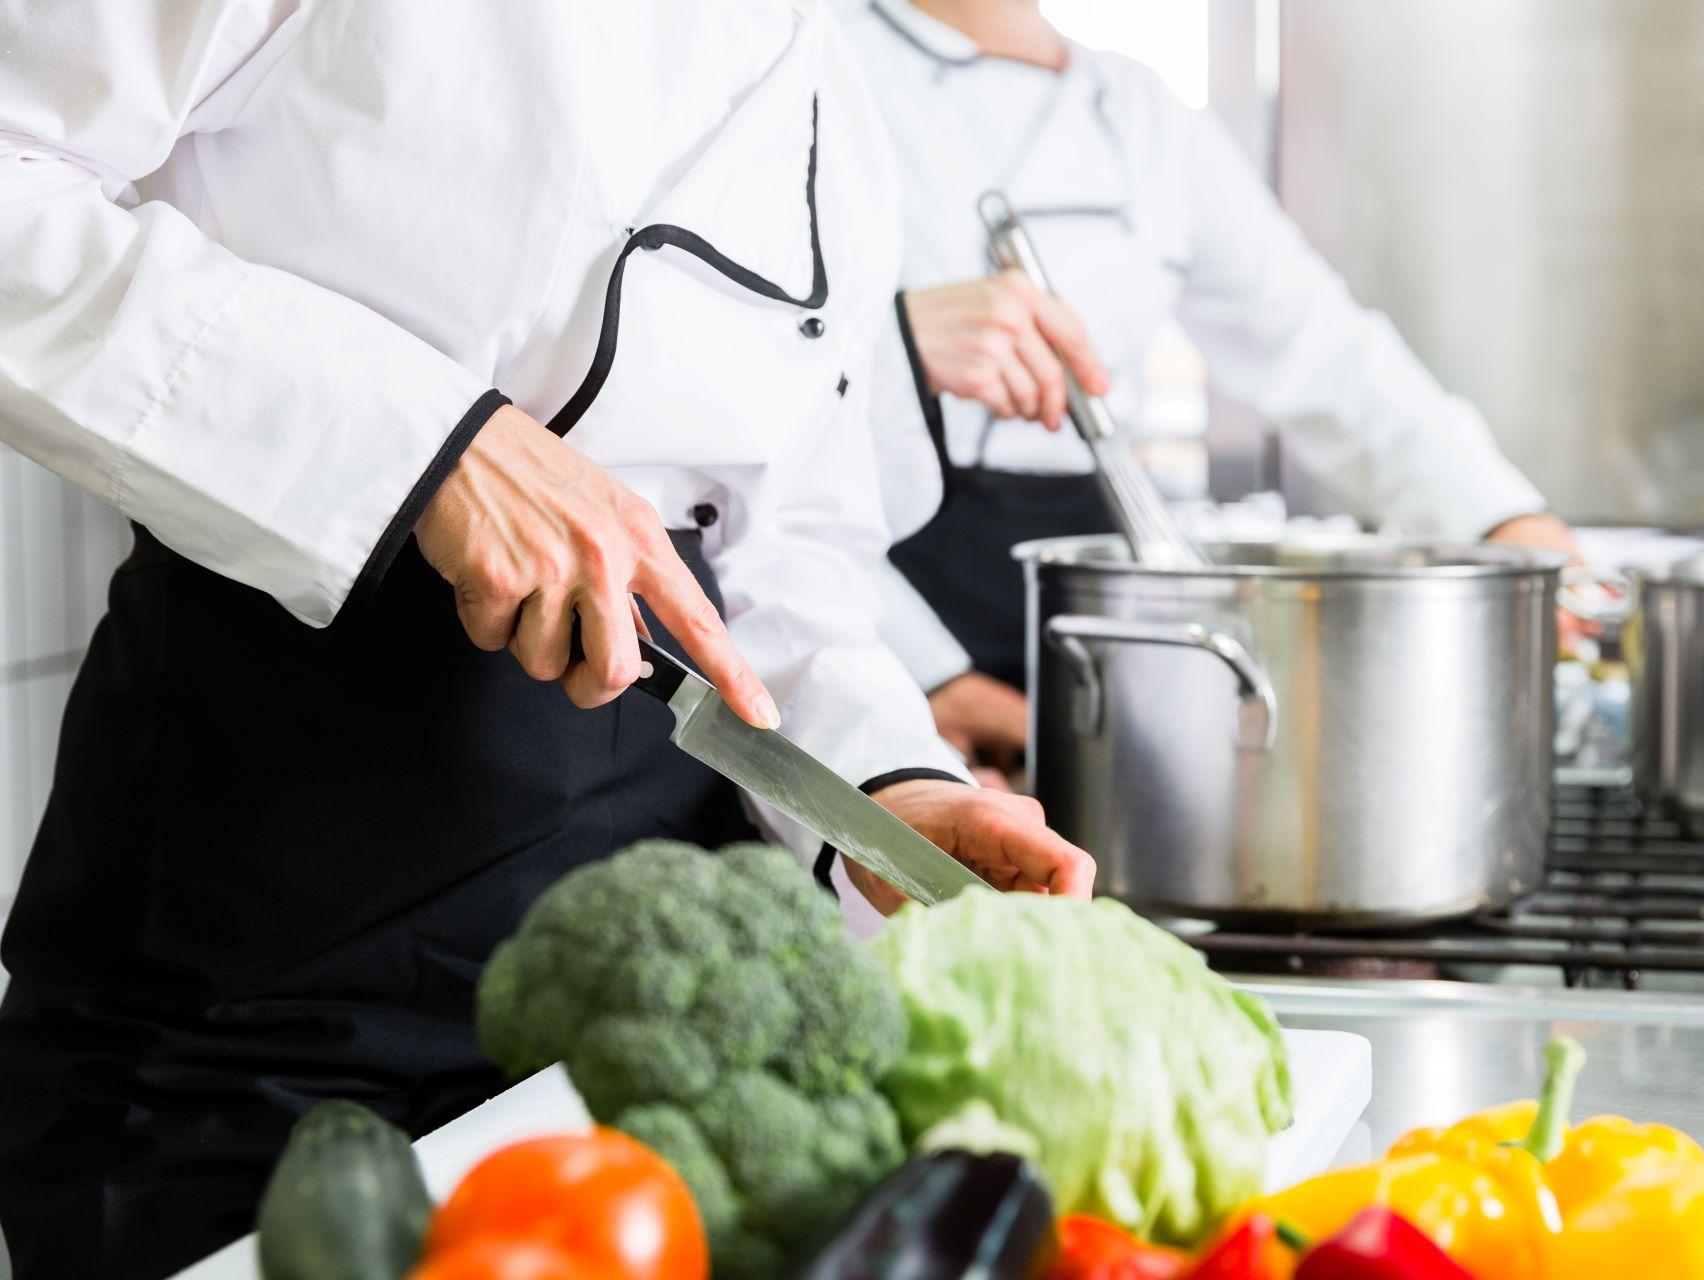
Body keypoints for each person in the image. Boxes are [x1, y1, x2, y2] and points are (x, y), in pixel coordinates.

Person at [0, 3, 1093, 1275]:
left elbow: (783, 548)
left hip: (643, 1019)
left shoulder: (817, 87)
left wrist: (891, 794)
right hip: (269, 957)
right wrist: (427, 441)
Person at [845, 0, 1587, 775]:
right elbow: (748, 459)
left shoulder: (1137, 108)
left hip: (1092, 591)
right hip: (872, 593)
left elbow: (1316, 344)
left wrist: (1502, 518)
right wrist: (924, 675)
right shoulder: (819, 60)